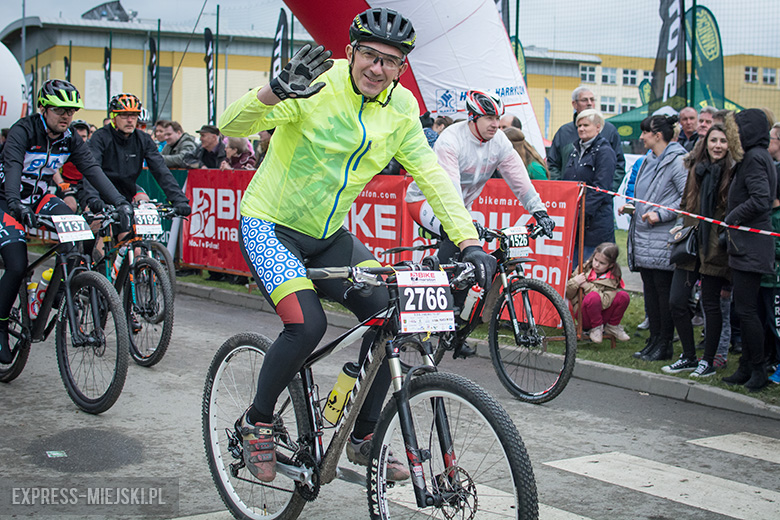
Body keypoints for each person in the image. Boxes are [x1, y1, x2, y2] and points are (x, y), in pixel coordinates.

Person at [218, 7, 497, 483]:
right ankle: (256, 421)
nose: (377, 67)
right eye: (369, 54)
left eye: (390, 61)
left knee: (395, 312)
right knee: (306, 327)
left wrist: (468, 240)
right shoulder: (316, 85)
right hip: (269, 226)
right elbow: (231, 125)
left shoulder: (402, 109)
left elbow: (432, 176)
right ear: (350, 53)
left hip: (328, 238)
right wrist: (275, 90)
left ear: (401, 69)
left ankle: (363, 434)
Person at [406, 90, 555, 357]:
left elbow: (518, 178)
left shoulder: (499, 141)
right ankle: (434, 309)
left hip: (461, 207)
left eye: (497, 117)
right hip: (427, 202)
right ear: (472, 118)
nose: (495, 124)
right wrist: (465, 226)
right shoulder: (450, 140)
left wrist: (540, 211)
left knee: (478, 267)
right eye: (488, 118)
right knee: (457, 241)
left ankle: (458, 327)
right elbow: (448, 192)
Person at [0, 79, 132, 364]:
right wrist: (12, 203)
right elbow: (11, 166)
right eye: (60, 110)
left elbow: (93, 170)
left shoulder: (70, 138)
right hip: (6, 200)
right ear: (43, 108)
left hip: (37, 198)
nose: (66, 116)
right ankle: (0, 324)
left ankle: (59, 289)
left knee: (83, 235)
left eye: (71, 111)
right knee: (16, 264)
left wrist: (119, 202)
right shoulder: (24, 130)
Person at [663, 120, 743, 378]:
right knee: (677, 301)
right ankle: (688, 355)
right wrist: (680, 226)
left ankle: (707, 361)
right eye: (713, 140)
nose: (717, 146)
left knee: (710, 305)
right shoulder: (695, 168)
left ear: (729, 144)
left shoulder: (733, 172)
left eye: (722, 141)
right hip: (690, 244)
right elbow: (686, 202)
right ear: (705, 143)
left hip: (715, 249)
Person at [622, 114, 687, 362]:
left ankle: (665, 343)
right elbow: (643, 194)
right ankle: (654, 340)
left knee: (663, 293)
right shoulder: (649, 160)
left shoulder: (678, 161)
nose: (641, 137)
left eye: (645, 132)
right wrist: (631, 205)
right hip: (644, 237)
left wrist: (660, 214)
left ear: (658, 135)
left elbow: (684, 200)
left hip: (663, 239)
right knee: (650, 291)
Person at [721, 109, 777, 392]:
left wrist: (731, 219)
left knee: (747, 310)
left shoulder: (755, 158)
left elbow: (761, 199)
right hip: (745, 246)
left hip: (752, 246)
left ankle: (758, 368)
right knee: (742, 309)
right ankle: (746, 365)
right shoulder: (754, 157)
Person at [82, 93, 190, 216]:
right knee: (99, 224)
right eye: (124, 115)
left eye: (134, 115)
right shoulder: (100, 137)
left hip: (126, 192)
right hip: (100, 191)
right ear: (113, 117)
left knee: (131, 230)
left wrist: (179, 199)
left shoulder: (143, 139)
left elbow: (161, 170)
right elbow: (92, 170)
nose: (130, 120)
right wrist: (93, 198)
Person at [562, 109, 617, 263]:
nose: (581, 129)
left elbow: (601, 188)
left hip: (595, 223)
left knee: (589, 268)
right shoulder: (574, 151)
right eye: (579, 125)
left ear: (598, 127)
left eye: (586, 125)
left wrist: (580, 213)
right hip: (575, 221)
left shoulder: (605, 152)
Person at [547, 86, 626, 189]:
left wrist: (607, 191)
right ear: (574, 104)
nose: (589, 103)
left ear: (598, 128)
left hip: (598, 199)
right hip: (568, 197)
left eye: (592, 99)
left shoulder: (609, 130)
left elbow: (619, 166)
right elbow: (552, 165)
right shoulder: (564, 132)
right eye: (584, 100)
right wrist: (561, 189)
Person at [566, 242, 631, 343]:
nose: (596, 265)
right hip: (583, 314)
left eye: (602, 263)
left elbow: (604, 303)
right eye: (595, 260)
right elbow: (568, 294)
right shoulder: (583, 269)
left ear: (610, 265)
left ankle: (612, 326)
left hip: (602, 313)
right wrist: (575, 282)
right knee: (592, 297)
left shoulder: (613, 278)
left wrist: (587, 286)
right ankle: (596, 328)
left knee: (623, 296)